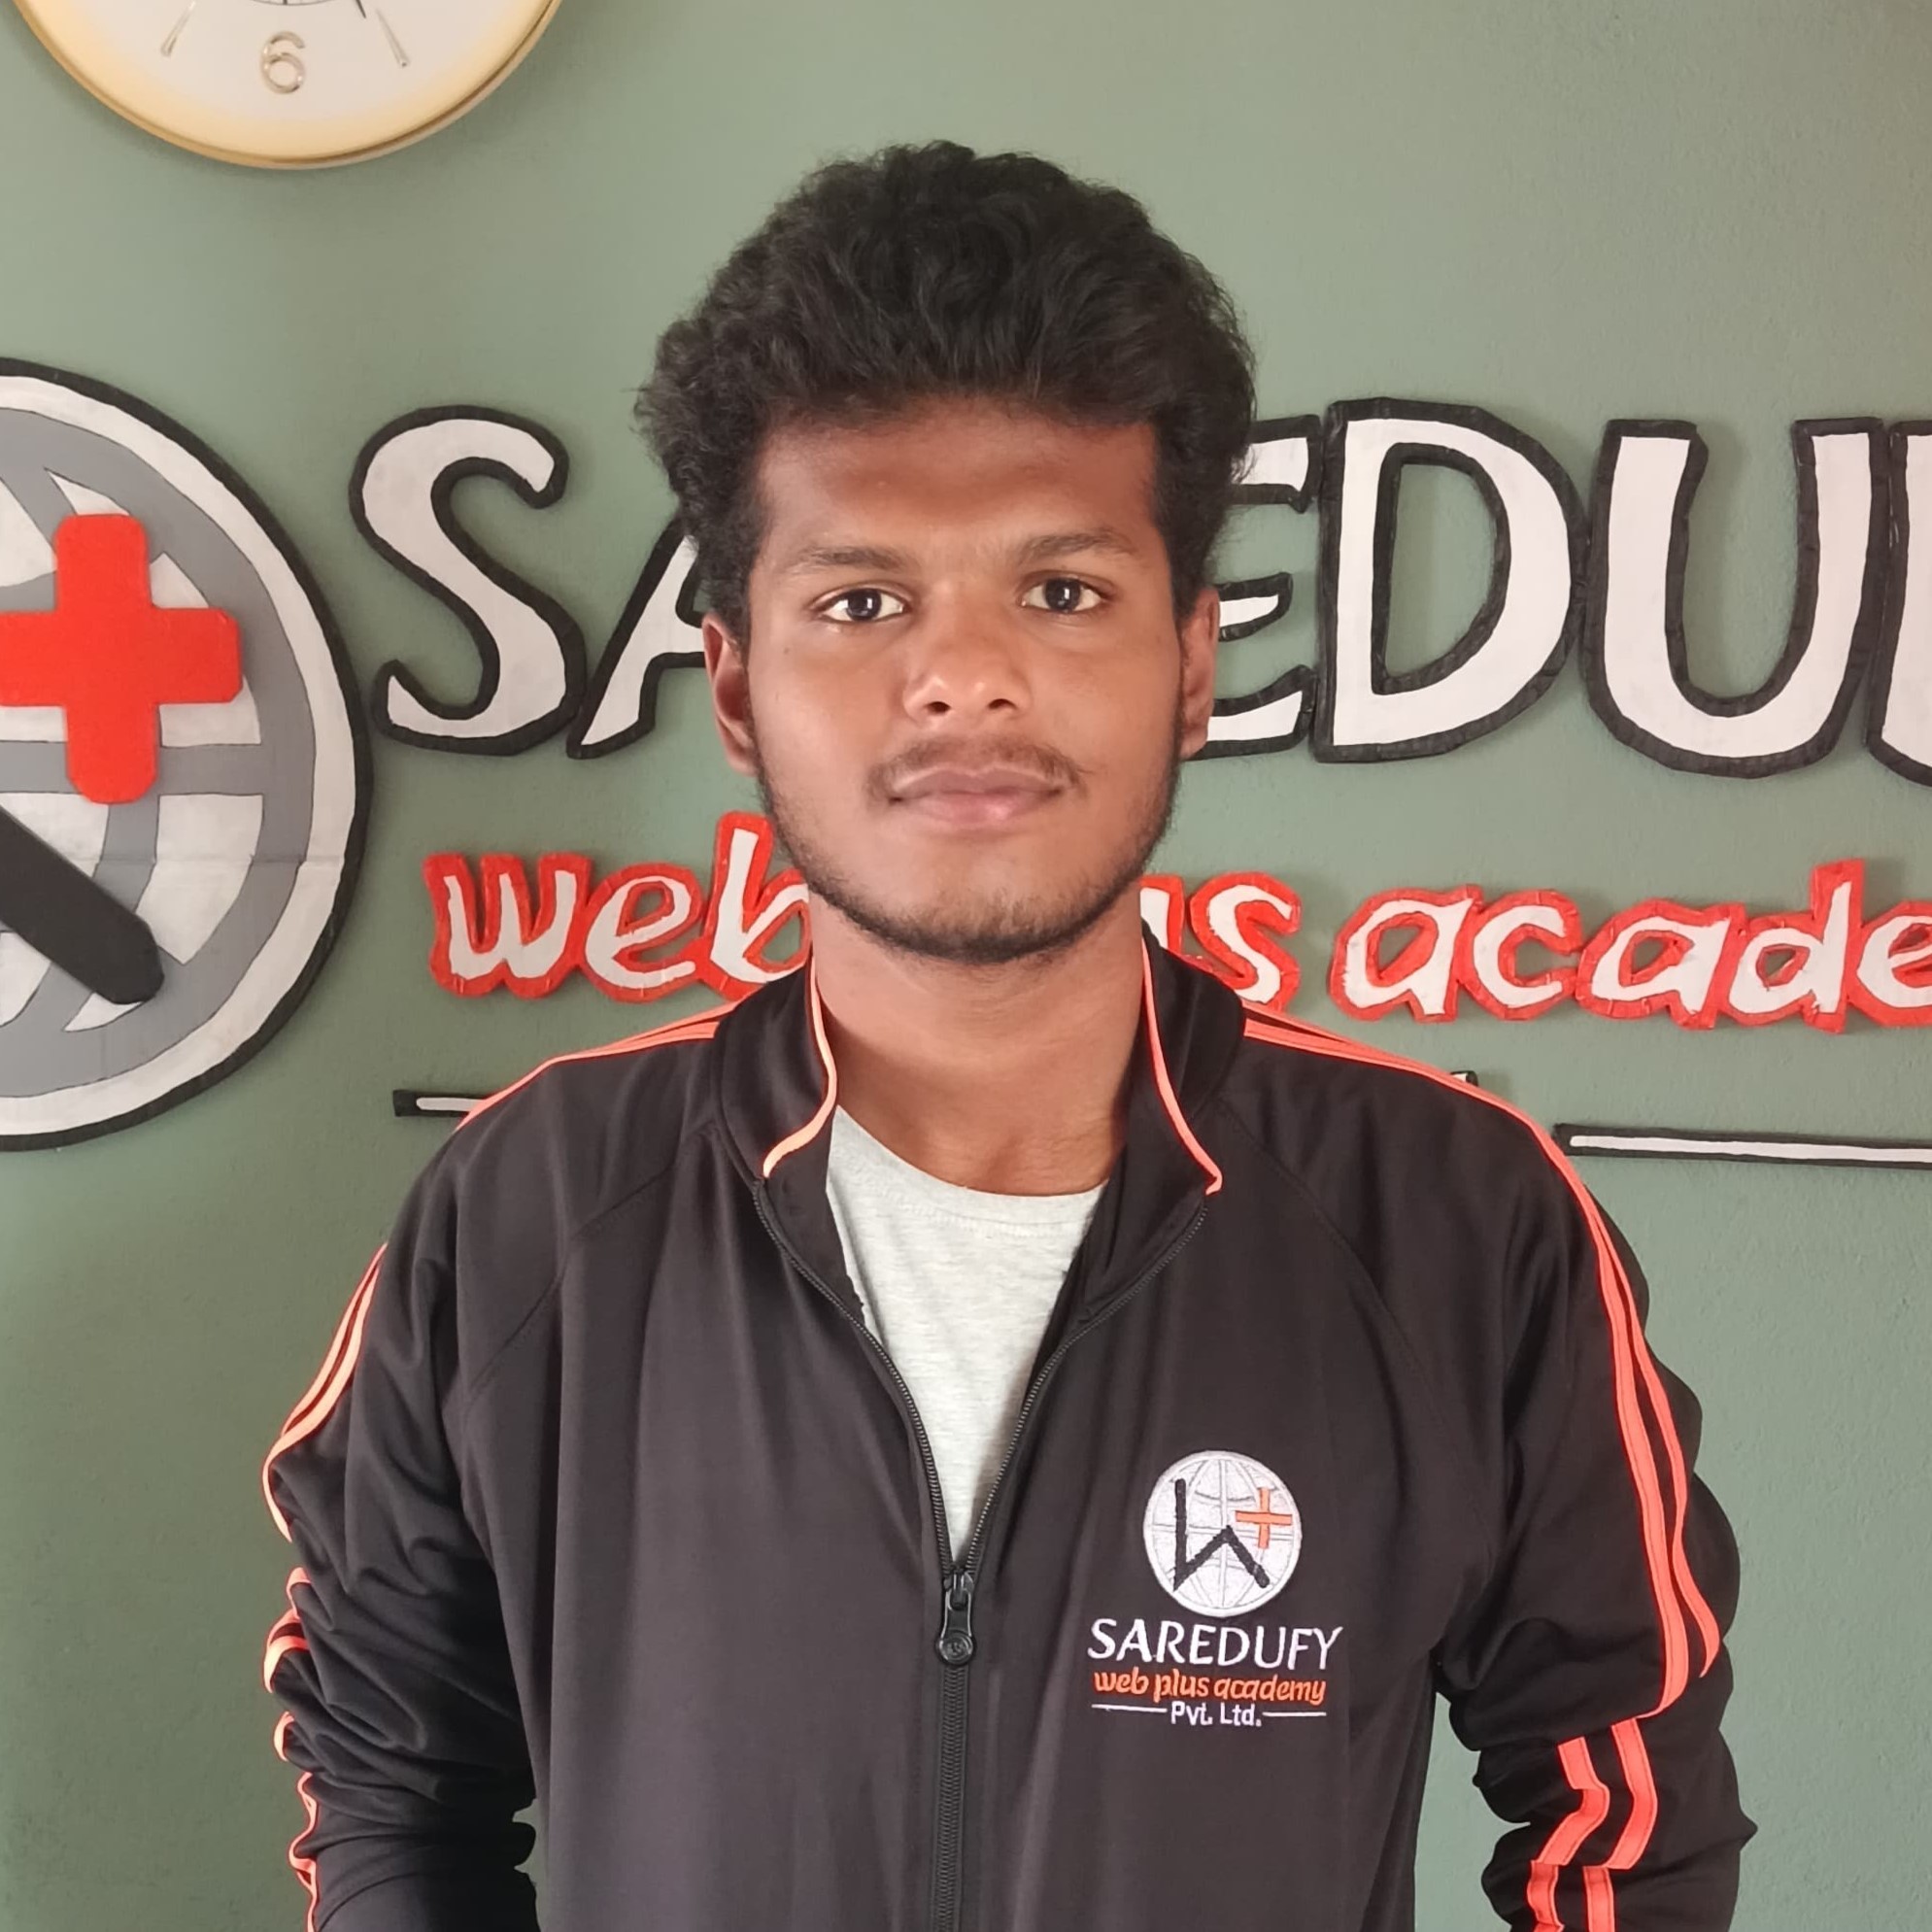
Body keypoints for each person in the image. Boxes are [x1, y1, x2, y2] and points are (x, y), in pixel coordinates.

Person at [259, 140, 1751, 1931]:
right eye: (861, 600)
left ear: (1190, 662)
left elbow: (1625, 1818)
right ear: (734, 684)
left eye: (1060, 591)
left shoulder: (1454, 1217)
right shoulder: (533, 1211)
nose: (963, 676)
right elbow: (390, 1784)